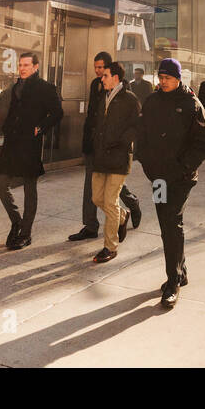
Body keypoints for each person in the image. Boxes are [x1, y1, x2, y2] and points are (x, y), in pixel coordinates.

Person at [135, 58, 205, 308]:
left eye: (167, 77)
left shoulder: (192, 105)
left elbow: (201, 144)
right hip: (157, 177)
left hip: (181, 178)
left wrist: (184, 168)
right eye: (161, 77)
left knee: (172, 222)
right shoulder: (152, 101)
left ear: (178, 78)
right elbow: (141, 134)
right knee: (165, 223)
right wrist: (146, 164)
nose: (163, 81)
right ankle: (181, 270)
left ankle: (173, 282)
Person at [70, 51, 142, 242]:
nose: (98, 72)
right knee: (93, 188)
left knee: (114, 187)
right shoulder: (96, 85)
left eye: (101, 68)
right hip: (95, 143)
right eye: (95, 68)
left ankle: (130, 206)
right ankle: (91, 225)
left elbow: (135, 124)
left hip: (114, 149)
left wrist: (121, 141)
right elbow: (93, 114)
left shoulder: (125, 94)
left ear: (111, 70)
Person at [0, 52, 63, 250]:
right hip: (12, 142)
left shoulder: (46, 88)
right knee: (0, 182)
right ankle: (17, 221)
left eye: (26, 65)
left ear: (35, 67)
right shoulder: (16, 87)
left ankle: (26, 233)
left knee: (29, 188)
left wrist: (40, 128)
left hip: (30, 144)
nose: (22, 68)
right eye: (20, 65)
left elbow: (58, 113)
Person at [87, 62, 140, 263]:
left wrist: (121, 142)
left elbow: (137, 126)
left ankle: (110, 247)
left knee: (109, 202)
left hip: (118, 158)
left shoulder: (130, 99)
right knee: (97, 198)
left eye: (106, 75)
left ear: (115, 77)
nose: (102, 78)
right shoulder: (104, 97)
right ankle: (122, 216)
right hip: (100, 158)